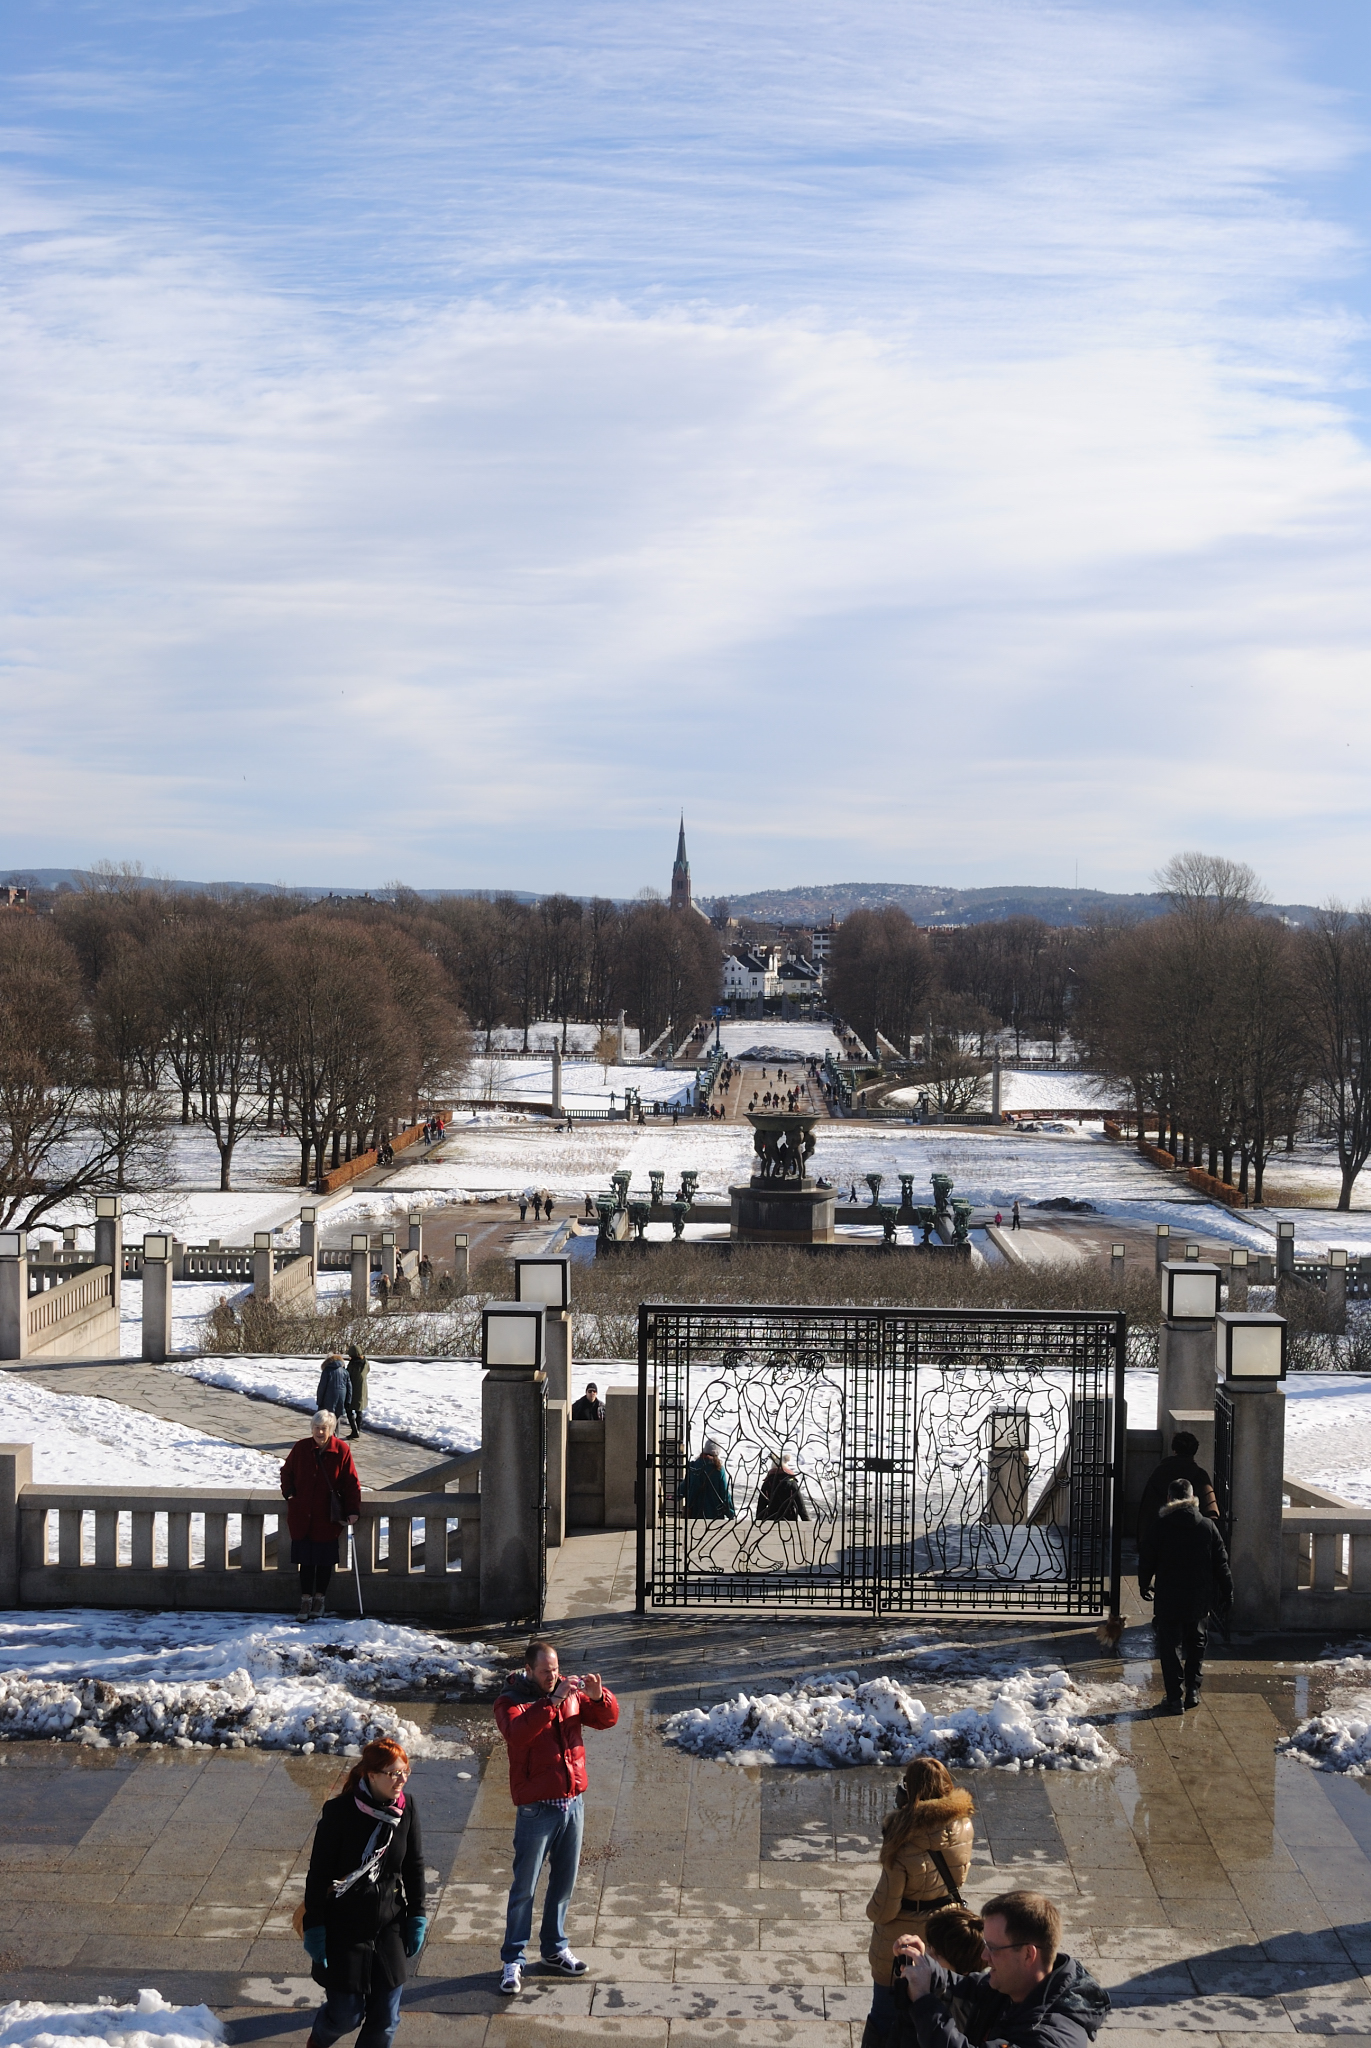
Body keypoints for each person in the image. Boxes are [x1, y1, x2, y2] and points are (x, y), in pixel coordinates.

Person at [494, 1636, 619, 1997]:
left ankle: (554, 1948)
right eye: (546, 1671)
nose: (553, 1676)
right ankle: (513, 1959)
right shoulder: (510, 1701)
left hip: (572, 1803)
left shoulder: (569, 1695)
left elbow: (606, 1720)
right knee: (524, 1888)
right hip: (536, 1808)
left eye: (556, 1670)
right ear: (529, 1670)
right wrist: (551, 1702)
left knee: (564, 1882)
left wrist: (598, 1696)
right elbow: (518, 1734)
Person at [299, 1735, 426, 2048]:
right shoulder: (339, 1813)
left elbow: (414, 1865)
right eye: (393, 1773)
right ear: (371, 1775)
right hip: (345, 1928)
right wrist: (314, 1926)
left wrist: (417, 1915)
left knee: (385, 2020)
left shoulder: (406, 1808)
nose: (401, 1780)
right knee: (346, 2015)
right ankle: (318, 2041)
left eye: (405, 1771)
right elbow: (319, 1875)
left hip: (389, 1924)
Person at [891, 1890, 1109, 2048]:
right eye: (985, 1945)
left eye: (993, 1948)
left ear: (1028, 1954)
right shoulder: (1016, 1985)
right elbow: (964, 1986)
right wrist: (923, 1963)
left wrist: (923, 2001)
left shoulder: (1047, 2039)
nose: (984, 1957)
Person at [863, 1757, 975, 2041]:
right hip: (943, 1935)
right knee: (930, 2015)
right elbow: (959, 1879)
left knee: (884, 2017)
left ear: (909, 1790)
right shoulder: (964, 1825)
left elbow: (885, 1909)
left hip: (901, 1941)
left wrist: (871, 1911)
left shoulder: (901, 1839)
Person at [1141, 1476, 1233, 1713]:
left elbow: (1147, 1558)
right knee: (1197, 1643)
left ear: (1169, 1499)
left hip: (1169, 1596)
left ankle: (1174, 1697)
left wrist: (1144, 1584)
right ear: (1193, 1498)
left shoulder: (1160, 1526)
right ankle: (1193, 1690)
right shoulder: (1207, 1526)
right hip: (1199, 1597)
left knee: (1169, 1646)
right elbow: (1221, 1563)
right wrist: (1228, 1591)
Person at [280, 1411, 361, 1621]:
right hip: (302, 1516)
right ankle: (305, 1600)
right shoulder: (301, 1447)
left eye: (324, 1428)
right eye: (317, 1428)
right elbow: (286, 1472)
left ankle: (319, 1599)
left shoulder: (341, 1449)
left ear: (331, 1429)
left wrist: (353, 1510)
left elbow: (351, 1482)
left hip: (327, 1517)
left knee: (324, 1562)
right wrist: (289, 1493)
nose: (320, 1432)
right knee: (305, 1562)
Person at [1136, 1430, 1219, 1591]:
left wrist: (1144, 1580)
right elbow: (1212, 1512)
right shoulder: (1200, 1475)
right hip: (1194, 1547)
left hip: (1164, 1544)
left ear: (1174, 1450)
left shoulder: (1158, 1473)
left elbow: (1147, 1510)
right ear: (1194, 1451)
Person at [680, 1440, 735, 1518]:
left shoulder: (693, 1466)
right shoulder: (719, 1470)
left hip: (694, 1513)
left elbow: (684, 1487)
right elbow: (724, 1494)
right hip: (714, 1515)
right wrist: (731, 1513)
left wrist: (673, 1496)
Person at [756, 1455, 810, 1521]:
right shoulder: (792, 1482)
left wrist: (758, 1522)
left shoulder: (767, 1483)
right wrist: (807, 1521)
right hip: (790, 1521)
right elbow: (800, 1505)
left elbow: (761, 1506)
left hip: (771, 1520)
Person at [344, 1345, 369, 1441]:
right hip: (362, 1389)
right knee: (359, 1410)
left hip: (353, 1389)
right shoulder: (365, 1363)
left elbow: (348, 1375)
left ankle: (354, 1431)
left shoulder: (353, 1364)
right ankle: (358, 1429)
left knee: (349, 1409)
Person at [317, 1354, 351, 1419]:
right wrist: (348, 1401)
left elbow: (322, 1387)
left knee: (327, 1419)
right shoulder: (345, 1372)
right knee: (337, 1418)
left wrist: (319, 1402)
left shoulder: (327, 1371)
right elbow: (349, 1387)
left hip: (329, 1398)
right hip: (342, 1397)